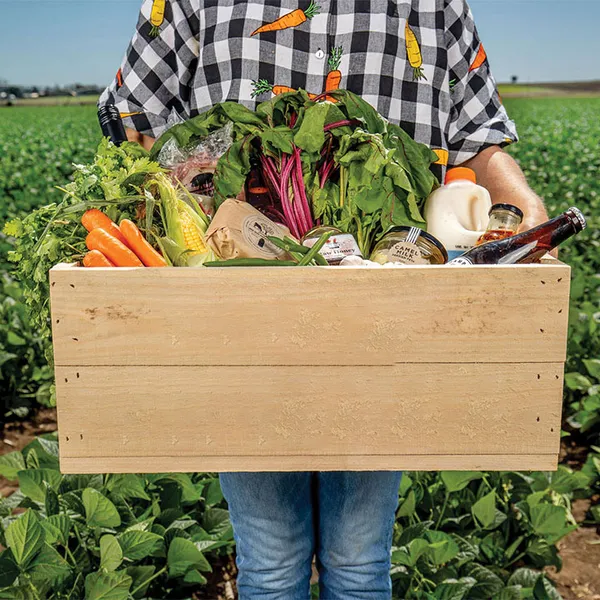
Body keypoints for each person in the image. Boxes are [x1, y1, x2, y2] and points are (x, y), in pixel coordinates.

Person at [100, 2, 551, 598]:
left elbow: (478, 139)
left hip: (386, 310)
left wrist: (530, 215)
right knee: (270, 556)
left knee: (360, 559)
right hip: (239, 313)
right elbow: (135, 118)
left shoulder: (434, 5)